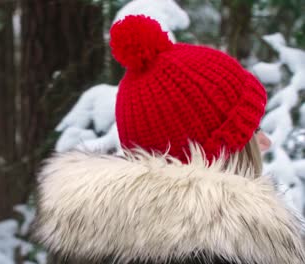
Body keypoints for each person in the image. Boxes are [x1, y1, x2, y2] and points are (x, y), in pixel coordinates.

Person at [32, 15, 305, 264]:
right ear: (211, 154)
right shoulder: (239, 252)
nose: (265, 142)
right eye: (251, 130)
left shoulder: (95, 245)